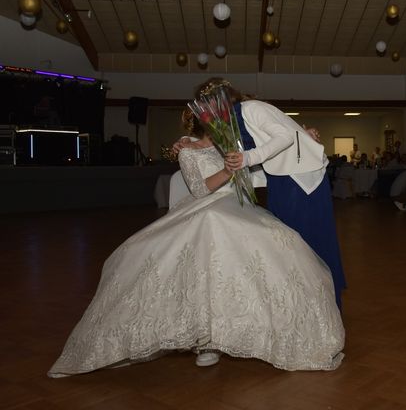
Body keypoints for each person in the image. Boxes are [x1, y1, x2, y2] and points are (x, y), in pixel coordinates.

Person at [48, 111, 345, 378]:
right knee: (208, 229)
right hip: (205, 208)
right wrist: (228, 169)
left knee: (283, 241)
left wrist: (303, 139)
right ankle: (205, 341)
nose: (221, 122)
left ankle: (269, 333)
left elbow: (262, 170)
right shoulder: (187, 150)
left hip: (237, 208)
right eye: (214, 118)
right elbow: (200, 190)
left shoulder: (231, 145)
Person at [208, 79, 347, 309]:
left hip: (300, 180)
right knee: (288, 246)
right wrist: (187, 143)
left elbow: (285, 136)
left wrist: (247, 158)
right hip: (281, 178)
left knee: (307, 244)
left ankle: (321, 305)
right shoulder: (229, 122)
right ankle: (300, 305)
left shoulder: (250, 108)